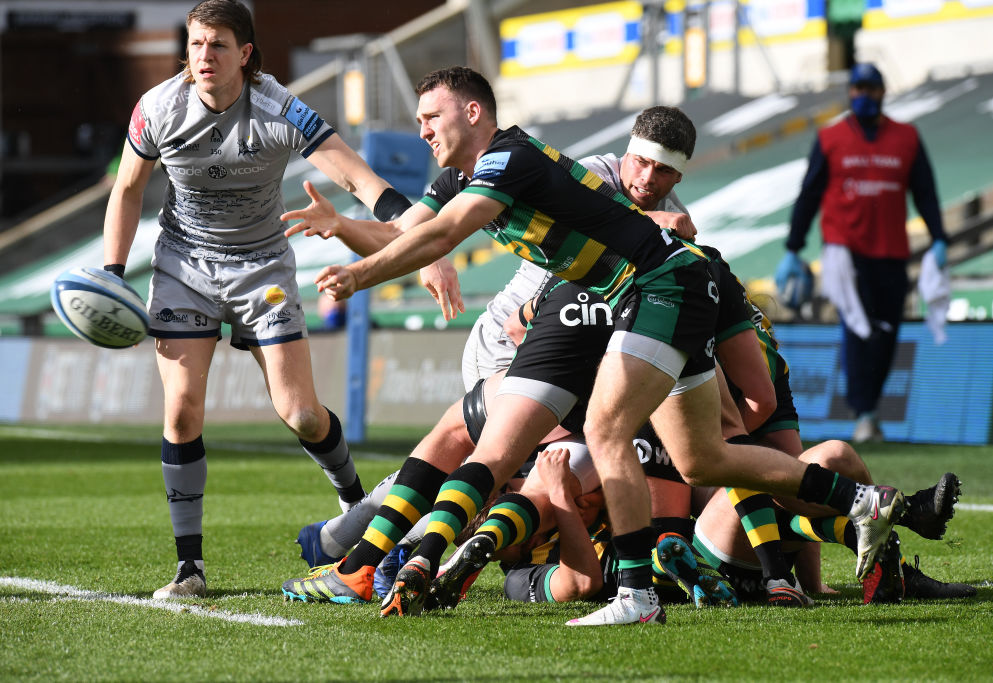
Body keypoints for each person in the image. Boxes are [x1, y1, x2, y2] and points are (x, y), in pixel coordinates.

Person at [293, 67, 922, 627]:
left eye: (432, 116)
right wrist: (345, 231)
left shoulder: (506, 161)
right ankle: (863, 503)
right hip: (660, 290)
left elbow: (441, 238)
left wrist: (356, 278)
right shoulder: (466, 172)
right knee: (702, 457)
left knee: (601, 430)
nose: (424, 129)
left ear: (473, 112)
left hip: (654, 289)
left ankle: (635, 592)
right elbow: (411, 232)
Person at [100, 0, 460, 599]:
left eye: (217, 45)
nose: (203, 56)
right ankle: (189, 568)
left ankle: (354, 507)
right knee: (182, 411)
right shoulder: (157, 108)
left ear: (244, 54)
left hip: (262, 267)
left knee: (301, 414)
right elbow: (128, 190)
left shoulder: (279, 107)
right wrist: (114, 271)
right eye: (194, 44)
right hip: (183, 264)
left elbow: (358, 180)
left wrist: (424, 240)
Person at [775, 62, 949, 443]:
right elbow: (809, 195)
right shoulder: (830, 138)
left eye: (872, 88)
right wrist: (793, 247)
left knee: (887, 331)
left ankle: (869, 409)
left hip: (891, 252)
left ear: (883, 92)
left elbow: (925, 192)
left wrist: (939, 237)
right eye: (858, 88)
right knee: (859, 330)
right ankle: (864, 414)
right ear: (850, 93)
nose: (865, 95)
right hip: (845, 252)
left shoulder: (906, 138)